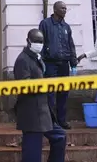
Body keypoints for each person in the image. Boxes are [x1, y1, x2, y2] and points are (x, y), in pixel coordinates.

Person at [14, 29, 67, 162]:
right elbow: (24, 85)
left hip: (43, 111)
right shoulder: (22, 60)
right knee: (32, 154)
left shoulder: (36, 57)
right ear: (28, 41)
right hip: (31, 112)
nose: (39, 44)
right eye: (36, 41)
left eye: (41, 42)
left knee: (60, 136)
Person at [38, 1, 77, 129]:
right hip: (50, 64)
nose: (65, 10)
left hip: (64, 65)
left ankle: (62, 120)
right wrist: (41, 62)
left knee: (63, 93)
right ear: (55, 9)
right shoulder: (45, 24)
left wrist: (73, 62)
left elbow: (70, 45)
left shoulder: (66, 26)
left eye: (66, 8)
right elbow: (40, 43)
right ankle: (51, 121)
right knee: (50, 94)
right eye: (62, 8)